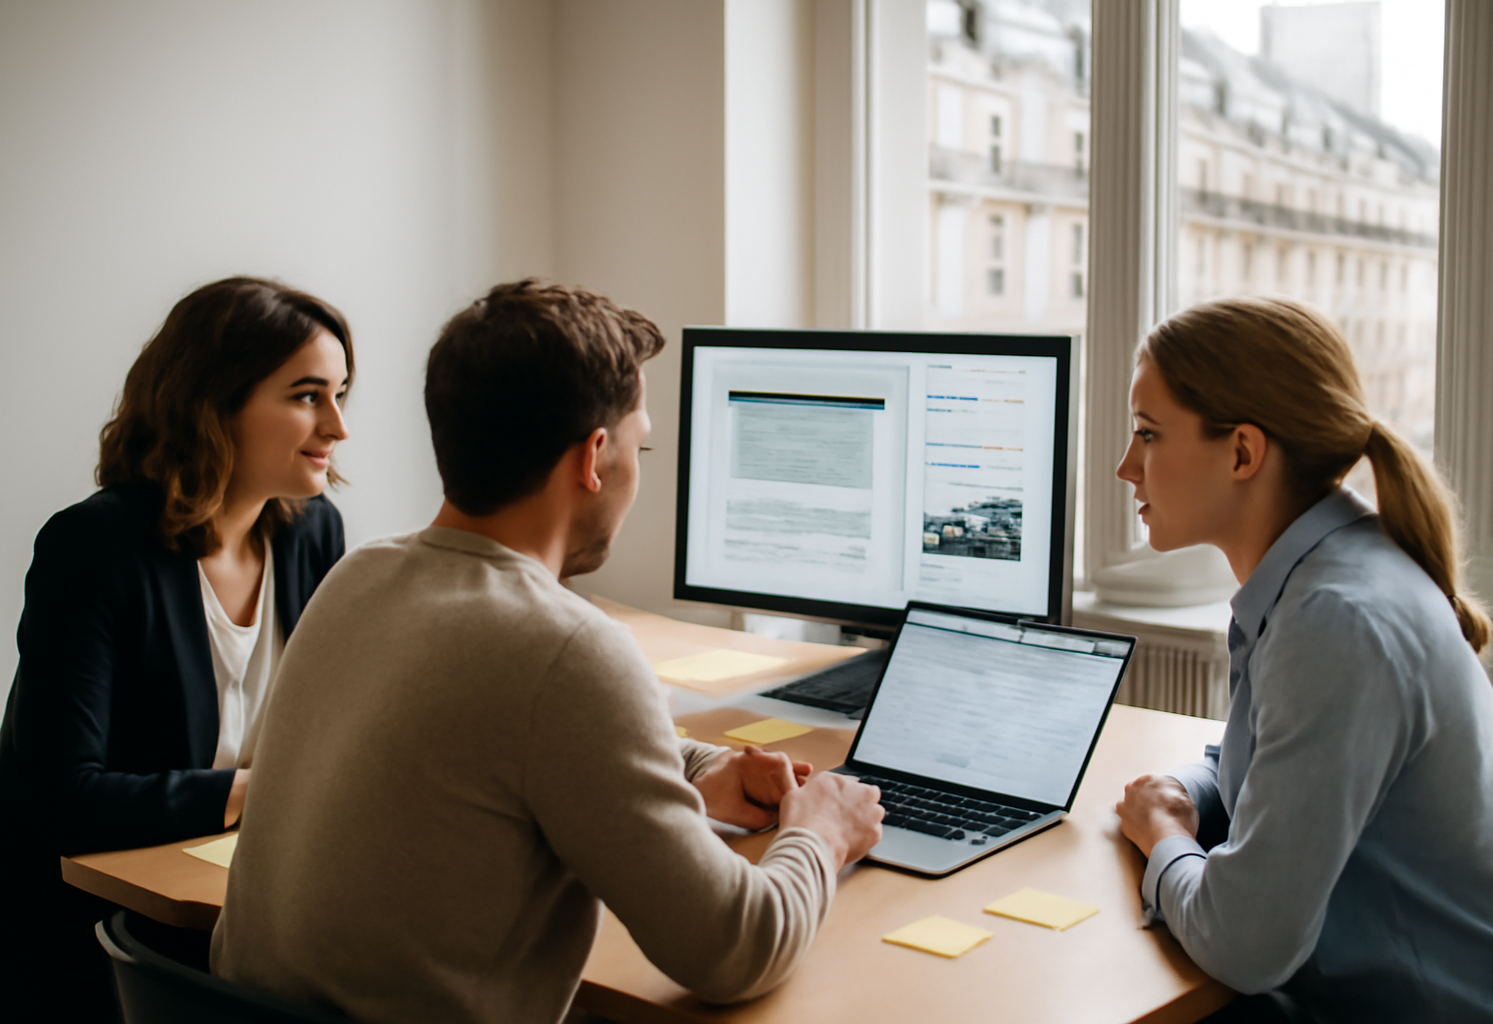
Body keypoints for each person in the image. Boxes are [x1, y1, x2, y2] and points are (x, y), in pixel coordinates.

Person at [210, 279, 884, 1024]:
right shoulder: (568, 649)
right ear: (595, 456)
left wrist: (700, 767)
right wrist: (820, 831)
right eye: (641, 444)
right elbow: (736, 949)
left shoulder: (357, 579)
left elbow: (513, 746)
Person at [1112, 296, 1493, 1023]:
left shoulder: (1336, 622)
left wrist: (1162, 838)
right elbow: (1261, 767)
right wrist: (1177, 791)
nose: (1126, 468)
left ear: (1243, 451)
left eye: (1148, 436)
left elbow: (1244, 946)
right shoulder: (1328, 572)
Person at [0, 276, 353, 1021]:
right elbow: (60, 797)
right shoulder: (93, 548)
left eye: (339, 396)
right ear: (213, 402)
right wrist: (255, 792)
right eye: (306, 396)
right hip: (100, 931)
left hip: (240, 892)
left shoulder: (313, 535)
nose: (336, 427)